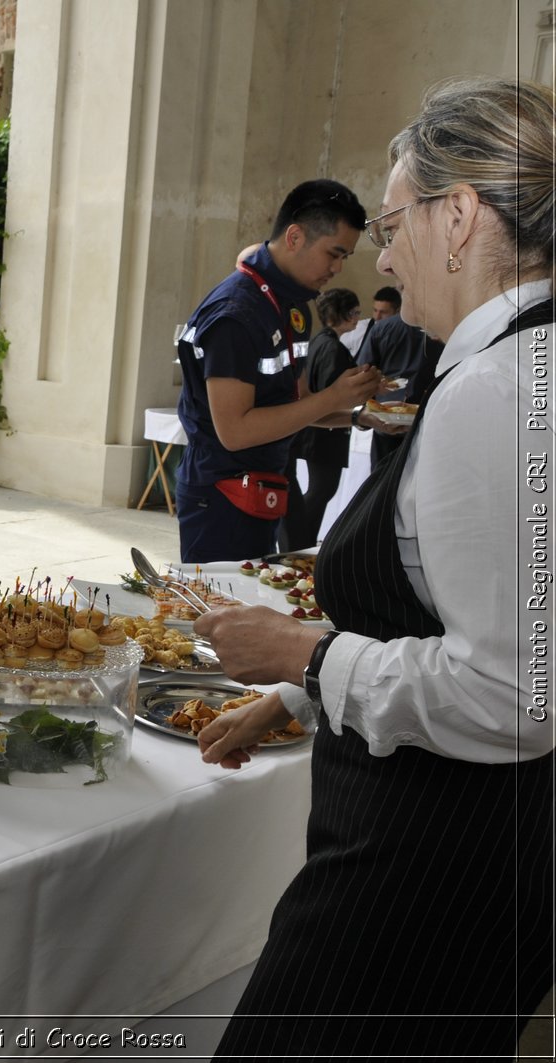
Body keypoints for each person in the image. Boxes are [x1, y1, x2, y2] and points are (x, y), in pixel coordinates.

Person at [196, 77, 554, 1061]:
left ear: (460, 216)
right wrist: (301, 696)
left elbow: (518, 692)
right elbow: (478, 617)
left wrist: (302, 653)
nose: (384, 256)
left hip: (422, 863)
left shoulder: (494, 388)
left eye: (394, 223)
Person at [175, 179, 383, 562]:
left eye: (345, 258)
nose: (337, 268)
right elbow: (236, 431)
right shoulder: (236, 314)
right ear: (294, 237)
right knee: (221, 611)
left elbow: (295, 406)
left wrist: (358, 416)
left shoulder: (292, 308)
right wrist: (334, 396)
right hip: (222, 493)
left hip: (263, 487)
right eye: (333, 253)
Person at [282, 288, 361, 549]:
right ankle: (301, 545)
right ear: (345, 314)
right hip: (324, 432)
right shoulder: (332, 347)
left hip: (314, 430)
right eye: (356, 312)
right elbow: (331, 396)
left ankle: (300, 543)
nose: (359, 318)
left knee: (318, 492)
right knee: (321, 491)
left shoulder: (318, 341)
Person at [357, 300, 446, 466]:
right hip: (426, 413)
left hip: (386, 414)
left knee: (382, 477)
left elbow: (364, 370)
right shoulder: (443, 329)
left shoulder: (381, 328)